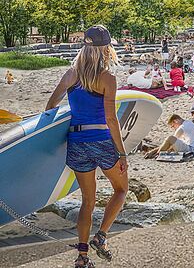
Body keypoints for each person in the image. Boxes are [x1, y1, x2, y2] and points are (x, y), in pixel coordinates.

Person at [45, 25, 128, 268]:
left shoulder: (71, 74)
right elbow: (111, 119)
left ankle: (82, 257)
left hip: (77, 143)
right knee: (121, 189)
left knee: (87, 201)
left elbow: (51, 105)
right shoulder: (107, 78)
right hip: (101, 141)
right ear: (106, 49)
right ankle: (101, 237)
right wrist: (122, 153)